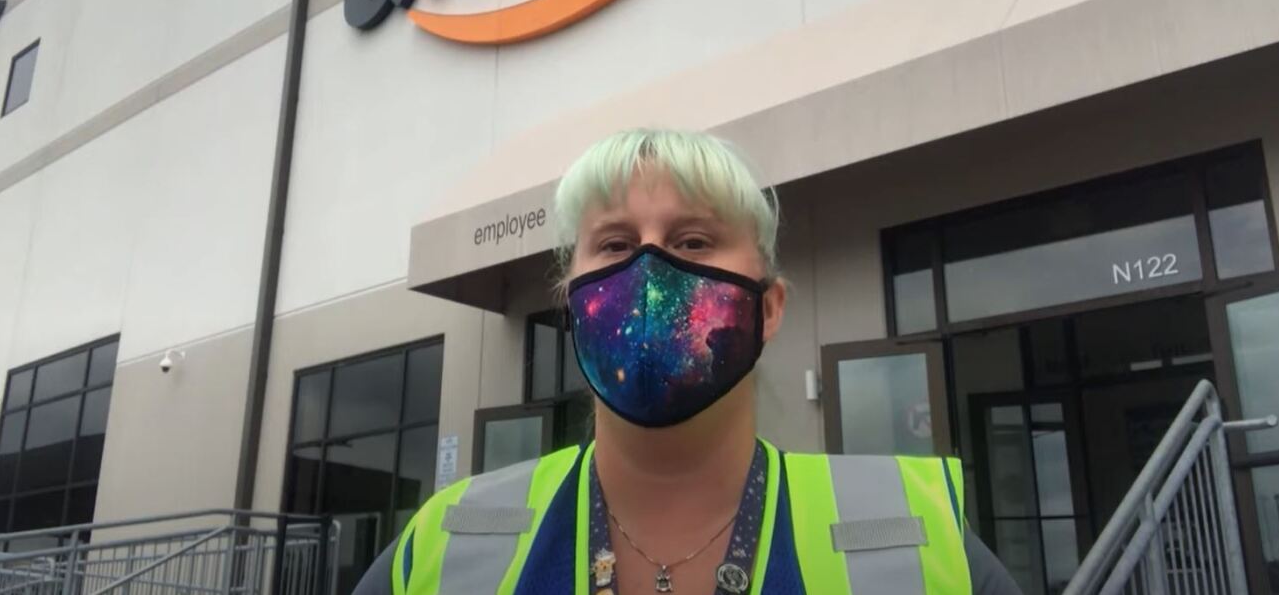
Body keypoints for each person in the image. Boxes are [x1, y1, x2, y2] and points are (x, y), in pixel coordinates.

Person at [355, 129, 1022, 594]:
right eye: (615, 244)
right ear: (570, 306)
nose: (649, 273)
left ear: (769, 306)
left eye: (693, 238)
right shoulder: (441, 550)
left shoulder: (921, 547)